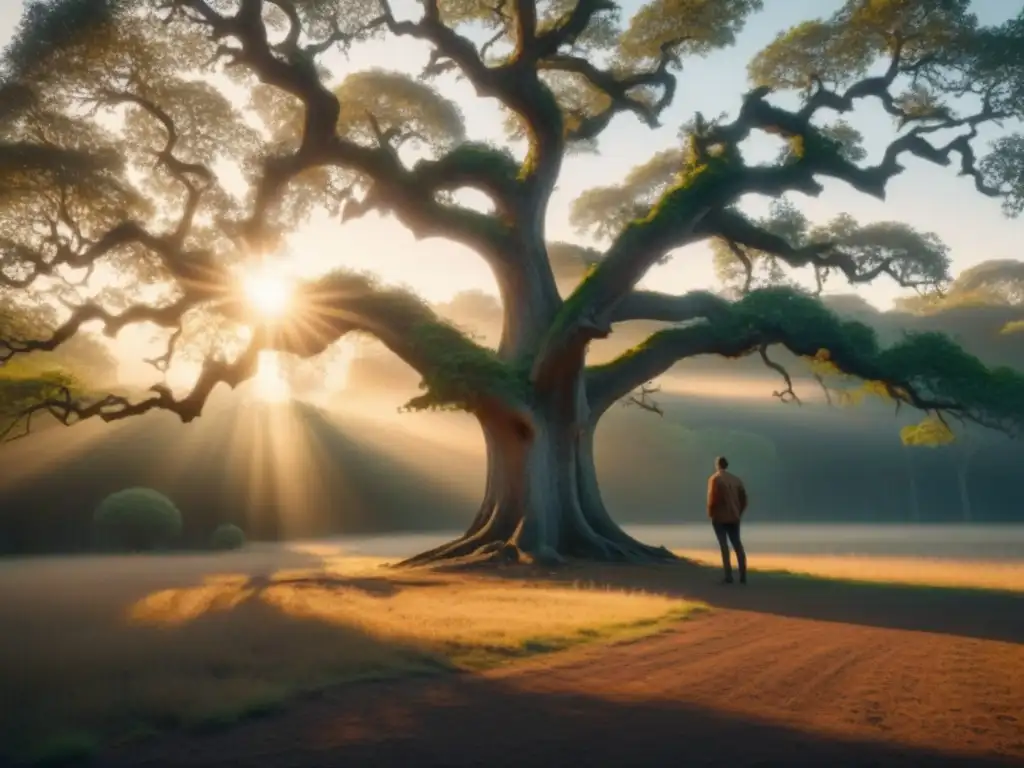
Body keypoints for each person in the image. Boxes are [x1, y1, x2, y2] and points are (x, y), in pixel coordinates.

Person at [706, 456, 748, 584]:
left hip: (719, 517)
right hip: (734, 517)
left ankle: (728, 575)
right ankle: (743, 575)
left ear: (717, 465)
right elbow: (744, 499)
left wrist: (711, 513)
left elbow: (714, 497)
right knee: (737, 545)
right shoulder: (737, 480)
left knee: (724, 546)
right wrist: (738, 513)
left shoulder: (715, 479)